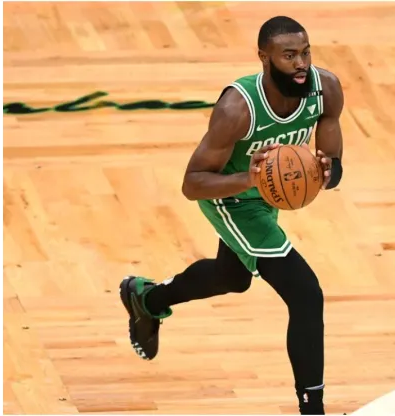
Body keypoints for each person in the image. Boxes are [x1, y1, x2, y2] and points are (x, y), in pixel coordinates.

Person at [118, 15, 344, 416]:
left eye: (305, 53)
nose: (301, 64)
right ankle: (313, 408)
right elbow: (192, 183)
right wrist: (249, 178)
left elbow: (332, 148)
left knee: (232, 277)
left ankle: (148, 299)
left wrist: (329, 171)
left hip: (266, 193)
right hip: (231, 197)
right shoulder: (237, 108)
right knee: (306, 295)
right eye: (289, 55)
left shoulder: (325, 89)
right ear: (264, 58)